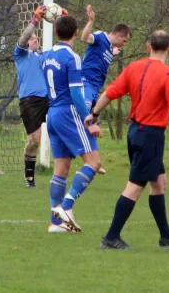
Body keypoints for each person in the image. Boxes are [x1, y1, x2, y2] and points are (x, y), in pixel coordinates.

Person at [85, 30, 169, 250]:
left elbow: (111, 92)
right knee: (134, 187)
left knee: (159, 182)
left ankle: (166, 237)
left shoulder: (134, 67)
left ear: (148, 47)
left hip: (135, 132)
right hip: (150, 135)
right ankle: (111, 237)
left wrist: (94, 113)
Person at [41, 15, 103, 233]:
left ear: (56, 32)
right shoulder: (73, 58)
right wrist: (89, 119)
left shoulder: (46, 56)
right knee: (94, 162)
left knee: (62, 168)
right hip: (68, 112)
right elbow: (77, 93)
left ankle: (56, 222)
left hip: (52, 113)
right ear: (77, 33)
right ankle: (66, 208)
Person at [13, 6, 51, 188]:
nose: (34, 38)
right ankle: (29, 176)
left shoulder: (43, 57)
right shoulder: (20, 54)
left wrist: (61, 20)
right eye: (31, 37)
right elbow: (24, 36)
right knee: (35, 140)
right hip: (29, 102)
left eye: (36, 37)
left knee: (63, 130)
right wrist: (35, 19)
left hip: (48, 100)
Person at [80, 4, 131, 111]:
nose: (124, 44)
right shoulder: (100, 37)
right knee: (84, 113)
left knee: (93, 122)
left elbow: (101, 55)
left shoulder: (110, 48)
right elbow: (84, 38)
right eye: (124, 41)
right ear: (117, 35)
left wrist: (112, 53)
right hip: (87, 82)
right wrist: (90, 21)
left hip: (96, 87)